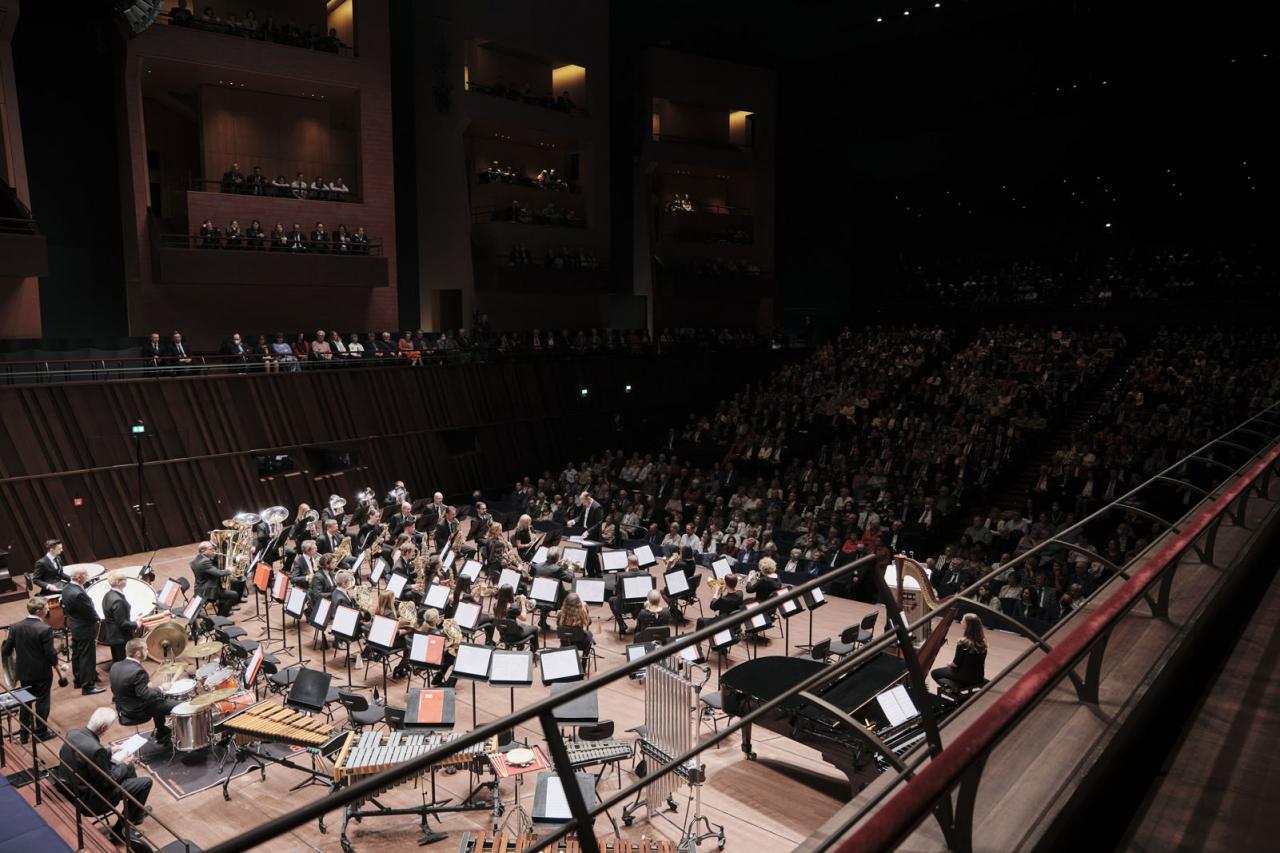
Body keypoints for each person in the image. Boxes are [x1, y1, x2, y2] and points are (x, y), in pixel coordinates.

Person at [60, 707, 154, 844]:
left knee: (128, 769)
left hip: (75, 788)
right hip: (93, 800)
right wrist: (124, 764)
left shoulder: (73, 734)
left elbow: (86, 756)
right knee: (145, 782)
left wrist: (109, 751)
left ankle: (135, 811)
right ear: (104, 728)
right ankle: (120, 832)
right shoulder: (96, 750)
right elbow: (106, 782)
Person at [2, 597, 68, 741]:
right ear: (39, 612)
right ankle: (41, 732)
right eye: (46, 608)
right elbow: (49, 654)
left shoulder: (15, 626)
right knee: (42, 702)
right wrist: (57, 664)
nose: (48, 609)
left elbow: (6, 650)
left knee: (25, 702)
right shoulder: (44, 629)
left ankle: (24, 734)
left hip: (23, 673)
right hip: (41, 673)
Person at [110, 639, 177, 747]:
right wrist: (161, 688)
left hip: (123, 710)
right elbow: (145, 696)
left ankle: (162, 731)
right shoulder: (138, 671)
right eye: (145, 649)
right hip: (137, 712)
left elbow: (123, 687)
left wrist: (147, 687)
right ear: (137, 653)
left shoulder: (115, 666)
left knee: (157, 698)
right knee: (179, 705)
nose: (147, 651)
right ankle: (171, 733)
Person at [61, 566, 103, 694]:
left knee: (77, 655)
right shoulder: (78, 593)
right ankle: (88, 686)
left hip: (75, 625)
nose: (87, 577)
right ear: (79, 577)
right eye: (86, 575)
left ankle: (78, 680)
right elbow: (88, 612)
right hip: (84, 628)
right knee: (87, 657)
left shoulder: (67, 588)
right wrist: (98, 618)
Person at [931, 613, 988, 690]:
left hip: (964, 677)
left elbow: (955, 664)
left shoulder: (963, 642)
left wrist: (949, 664)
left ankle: (953, 690)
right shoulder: (983, 643)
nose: (961, 622)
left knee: (935, 673)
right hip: (978, 677)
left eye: (963, 621)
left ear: (968, 626)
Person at [101, 571, 138, 664]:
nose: (126, 581)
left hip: (113, 635)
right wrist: (136, 624)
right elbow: (122, 624)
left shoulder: (108, 594)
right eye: (124, 579)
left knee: (117, 662)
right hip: (120, 638)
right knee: (123, 663)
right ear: (118, 582)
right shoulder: (118, 600)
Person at [191, 541, 236, 617]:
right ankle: (222, 617)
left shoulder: (198, 559)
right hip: (208, 591)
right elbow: (218, 573)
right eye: (211, 549)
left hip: (200, 588)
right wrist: (229, 571)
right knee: (233, 595)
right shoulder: (204, 562)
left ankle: (221, 611)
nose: (214, 551)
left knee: (225, 592)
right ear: (203, 550)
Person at [493, 585, 538, 651]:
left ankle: (519, 647)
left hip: (503, 634)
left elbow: (507, 613)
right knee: (535, 628)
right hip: (515, 636)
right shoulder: (513, 608)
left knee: (523, 625)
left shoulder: (496, 605)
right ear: (511, 594)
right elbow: (524, 618)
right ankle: (533, 651)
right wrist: (522, 603)